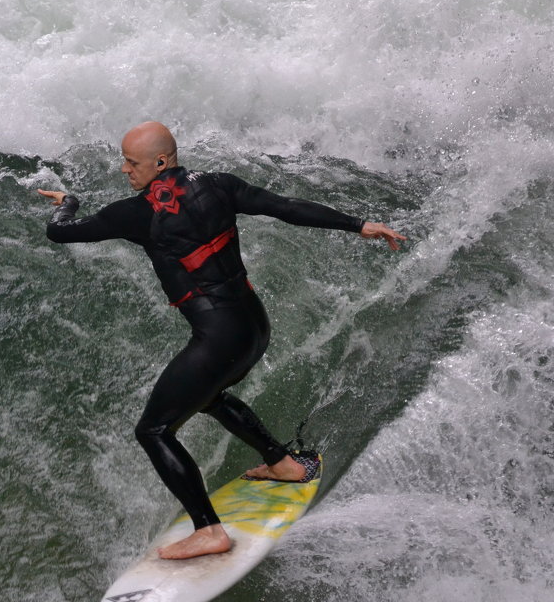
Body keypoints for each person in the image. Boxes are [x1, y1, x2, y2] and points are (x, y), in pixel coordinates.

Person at [37, 121, 406, 560]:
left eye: (131, 162)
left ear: (161, 162)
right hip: (254, 328)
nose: (123, 170)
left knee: (153, 431)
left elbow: (59, 232)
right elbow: (285, 206)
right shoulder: (219, 185)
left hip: (217, 337)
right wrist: (359, 224)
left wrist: (69, 203)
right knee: (206, 395)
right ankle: (281, 463)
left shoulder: (134, 213)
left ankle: (209, 531)